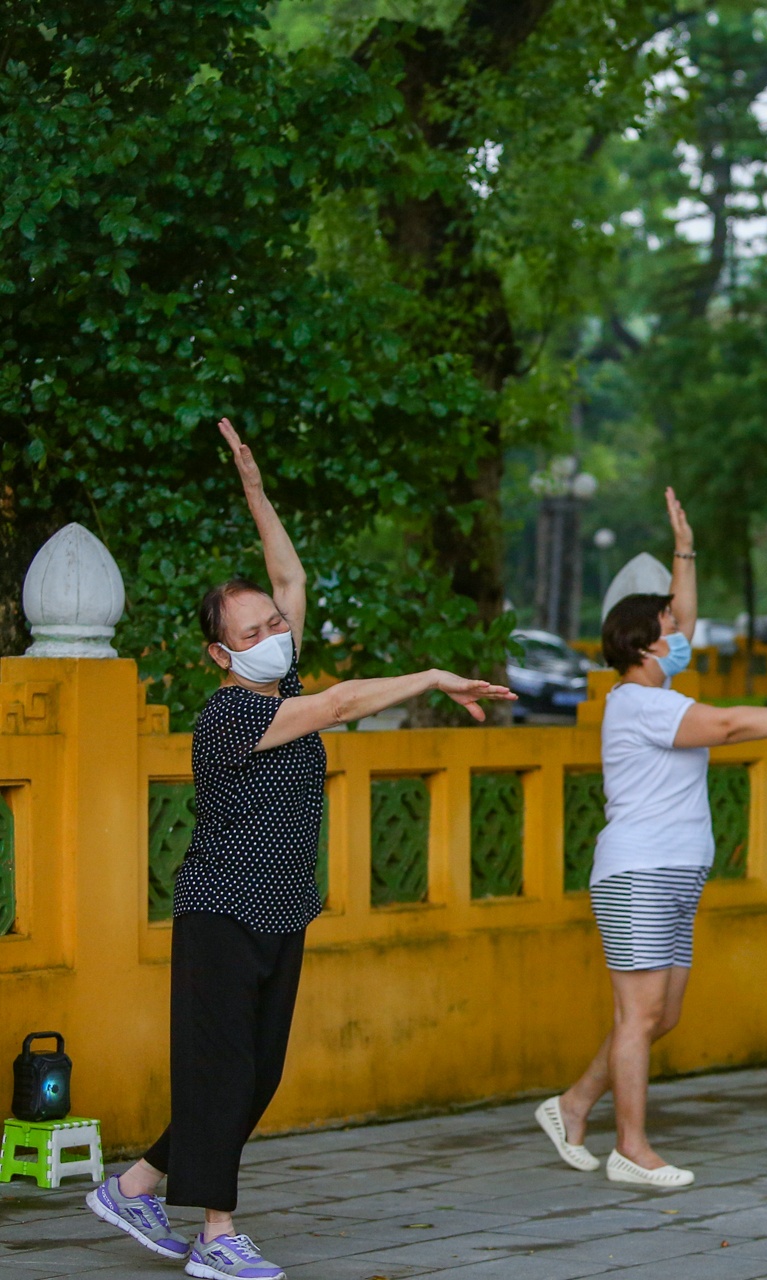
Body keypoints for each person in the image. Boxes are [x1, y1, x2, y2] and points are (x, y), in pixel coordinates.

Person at [86, 420, 515, 1280]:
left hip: (283, 908)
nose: (274, 631)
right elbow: (344, 701)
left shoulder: (276, 677)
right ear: (219, 654)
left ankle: (133, 1185)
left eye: (275, 623)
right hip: (221, 912)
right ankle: (217, 1238)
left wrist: (254, 488)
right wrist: (433, 676)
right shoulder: (235, 714)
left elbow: (292, 573)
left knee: (255, 1078)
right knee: (225, 1072)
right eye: (251, 633)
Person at [535, 488, 767, 1189]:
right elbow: (729, 727)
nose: (682, 629)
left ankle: (572, 1102)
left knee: (661, 1014)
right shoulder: (640, 705)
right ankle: (632, 1148)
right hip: (639, 872)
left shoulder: (655, 690)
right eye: (668, 624)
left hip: (675, 872)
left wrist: (684, 548)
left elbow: (681, 612)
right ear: (645, 644)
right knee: (639, 1013)